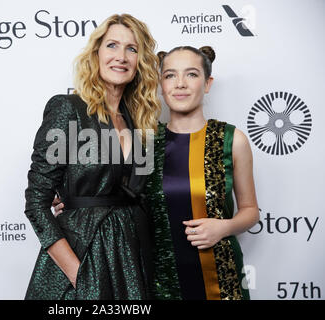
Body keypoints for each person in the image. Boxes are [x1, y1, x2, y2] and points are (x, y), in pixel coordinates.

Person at [24, 13, 160, 300]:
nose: (120, 56)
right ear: (96, 53)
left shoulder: (141, 121)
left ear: (140, 62)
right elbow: (36, 203)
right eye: (112, 45)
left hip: (131, 262)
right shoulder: (67, 108)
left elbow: (138, 195)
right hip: (81, 258)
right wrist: (80, 275)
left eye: (131, 49)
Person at [147, 46, 259, 300]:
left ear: (207, 84)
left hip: (221, 280)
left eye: (192, 74)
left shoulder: (232, 139)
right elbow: (122, 200)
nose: (180, 84)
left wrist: (224, 227)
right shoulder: (146, 143)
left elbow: (251, 210)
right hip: (161, 282)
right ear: (160, 84)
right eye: (170, 75)